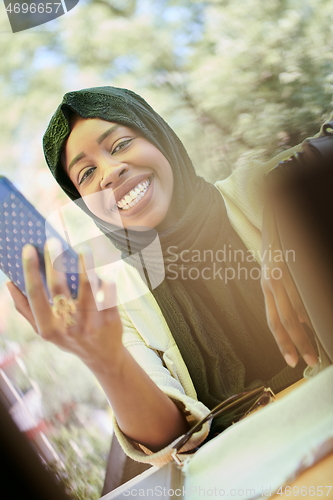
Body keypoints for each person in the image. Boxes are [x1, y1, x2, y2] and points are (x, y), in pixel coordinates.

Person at [7, 86, 327, 467]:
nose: (110, 173)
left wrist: (283, 210)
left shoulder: (258, 189)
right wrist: (105, 360)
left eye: (121, 144)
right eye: (87, 173)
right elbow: (168, 437)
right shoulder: (115, 298)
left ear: (160, 137)